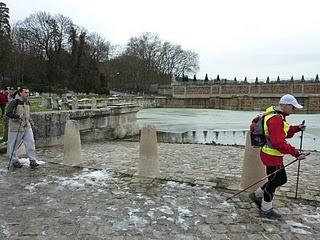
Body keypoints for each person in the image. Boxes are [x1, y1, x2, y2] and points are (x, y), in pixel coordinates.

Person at [249, 94, 307, 219]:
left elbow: (284, 131)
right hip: (271, 155)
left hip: (272, 154)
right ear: (285, 105)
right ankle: (266, 209)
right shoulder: (276, 119)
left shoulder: (278, 116)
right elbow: (278, 142)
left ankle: (257, 195)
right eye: (293, 107)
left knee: (278, 179)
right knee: (275, 181)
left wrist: (297, 128)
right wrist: (296, 153)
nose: (294, 110)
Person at [6, 86, 39, 169]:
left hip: (26, 127)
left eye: (28, 92)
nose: (27, 94)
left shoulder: (27, 102)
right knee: (14, 145)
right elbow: (8, 113)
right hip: (16, 128)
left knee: (31, 143)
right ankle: (14, 160)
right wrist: (17, 116)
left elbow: (28, 114)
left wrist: (32, 123)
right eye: (25, 92)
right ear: (20, 93)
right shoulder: (14, 102)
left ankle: (32, 160)